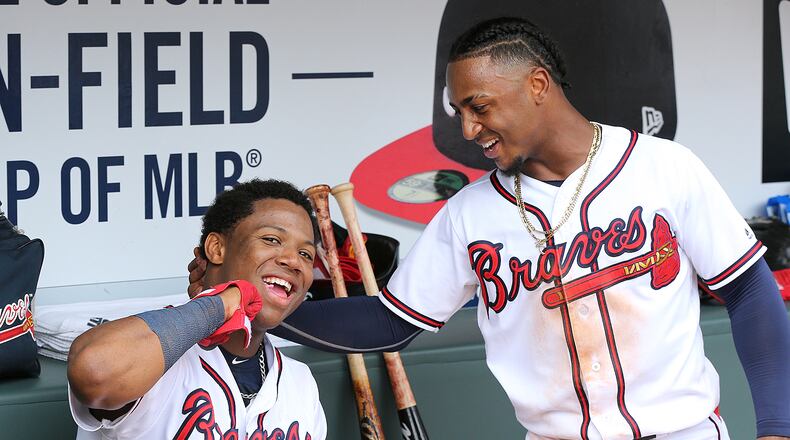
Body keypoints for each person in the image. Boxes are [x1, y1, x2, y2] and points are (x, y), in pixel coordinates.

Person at [189, 18, 790, 440]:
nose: (469, 128)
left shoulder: (663, 168)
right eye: (459, 113)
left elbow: (749, 291)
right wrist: (248, 306)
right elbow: (387, 323)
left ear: (536, 85)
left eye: (480, 106)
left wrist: (778, 426)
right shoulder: (469, 214)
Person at [69, 179, 326, 440]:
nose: (293, 261)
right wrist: (219, 306)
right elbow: (94, 373)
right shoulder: (150, 357)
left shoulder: (301, 385)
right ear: (217, 248)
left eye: (306, 254)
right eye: (271, 239)